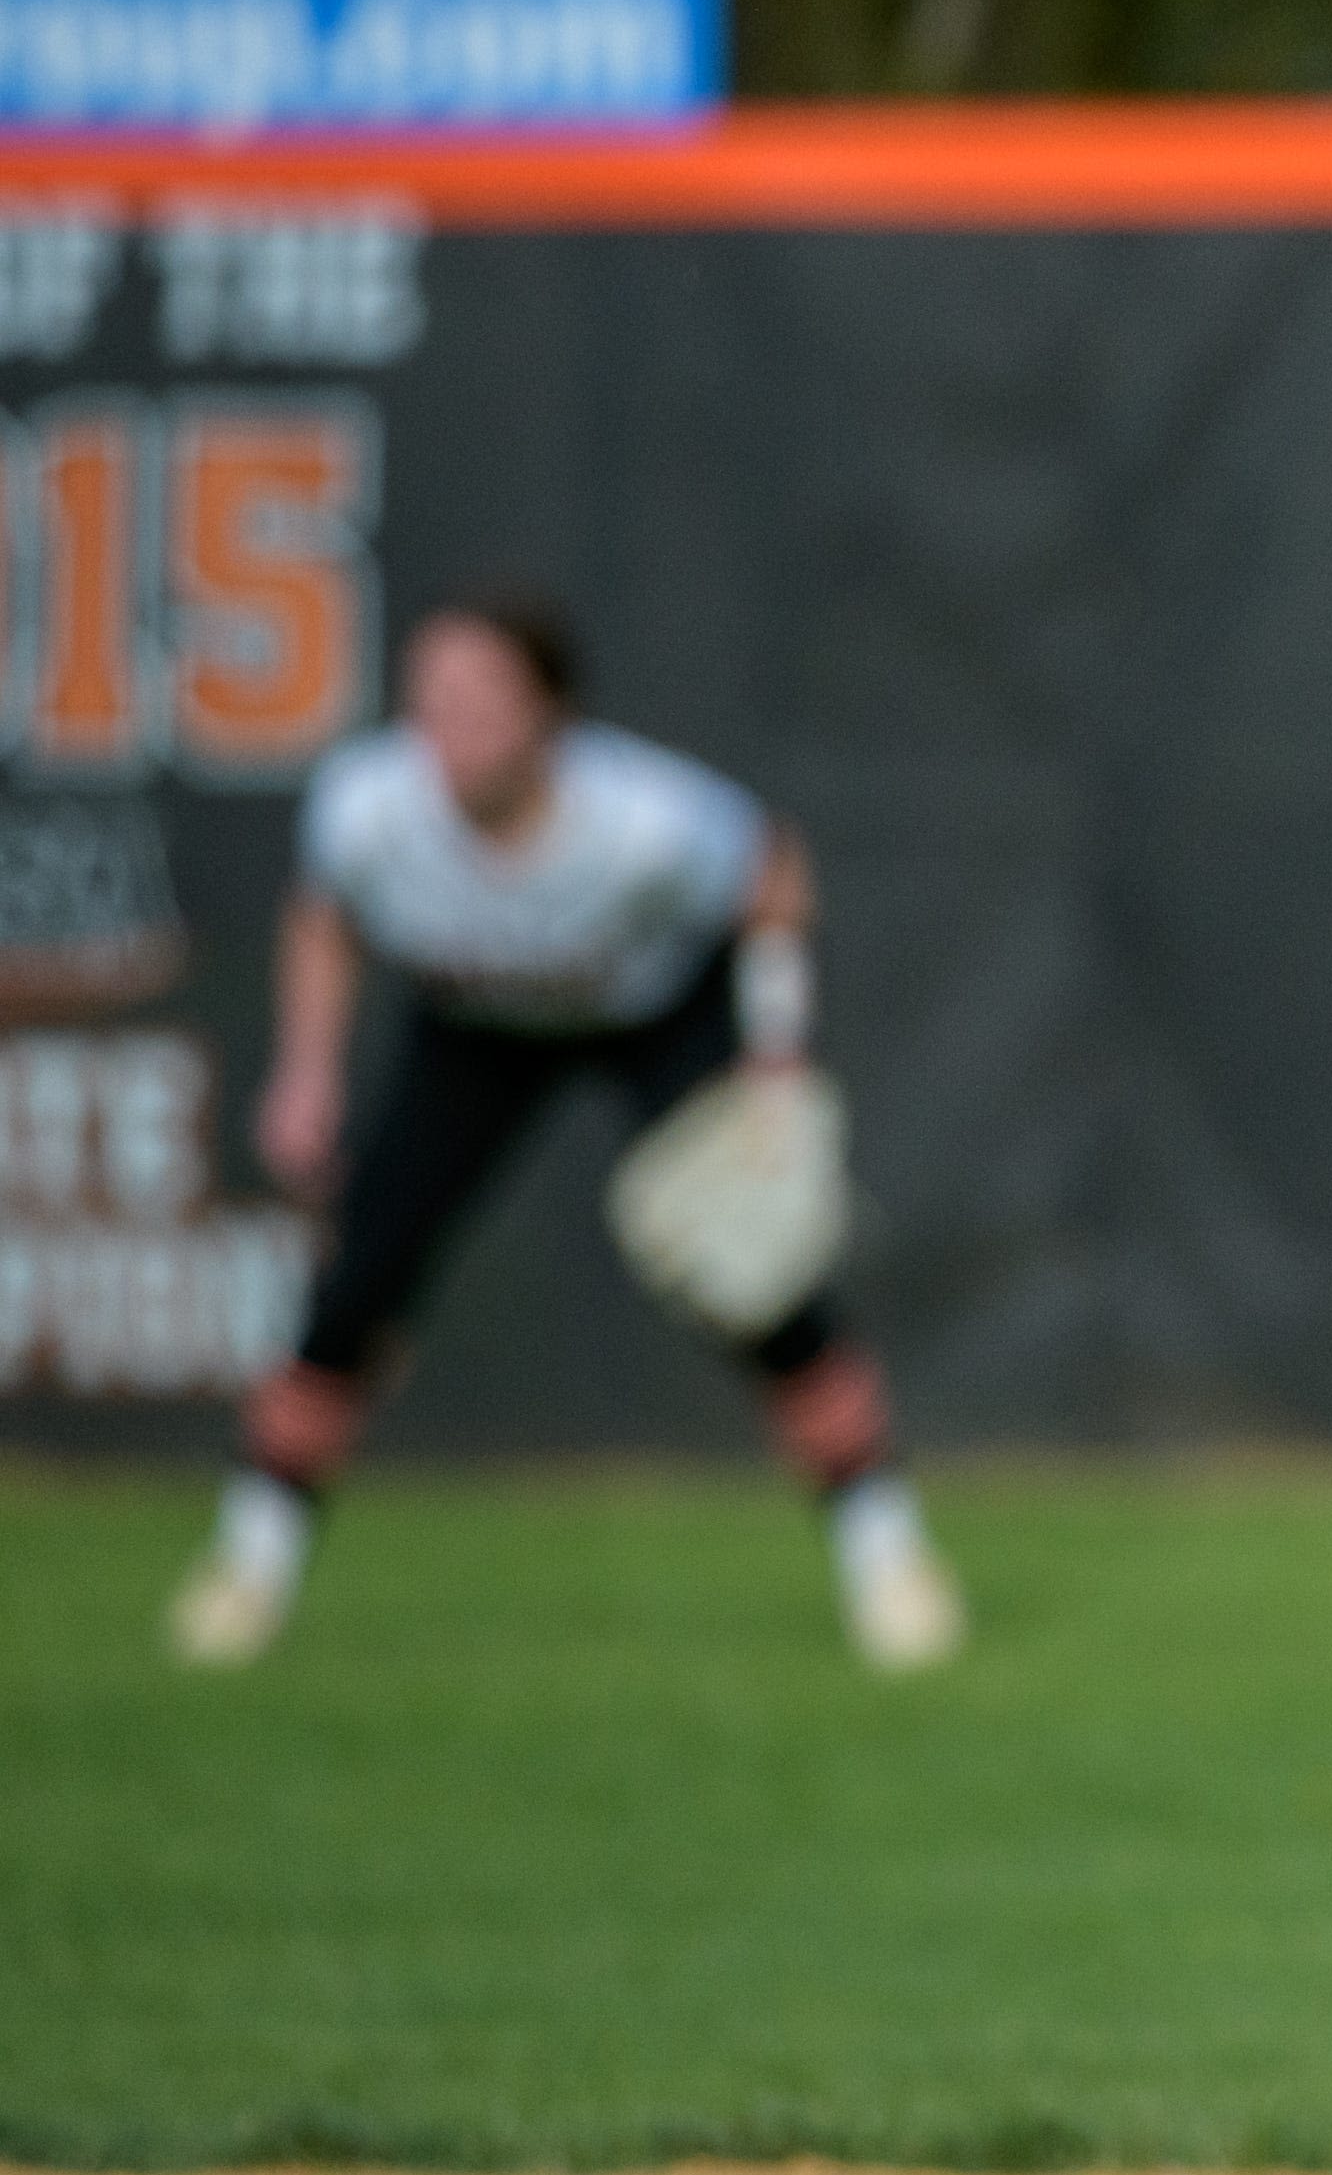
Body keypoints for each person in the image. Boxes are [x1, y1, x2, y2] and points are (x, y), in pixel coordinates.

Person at [166, 593, 962, 1672]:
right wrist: (305, 1074)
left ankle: (888, 1555)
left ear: (550, 715)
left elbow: (772, 873)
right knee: (360, 1279)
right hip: (476, 1027)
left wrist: (775, 1051)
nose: (449, 727)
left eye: (481, 699)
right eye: (429, 699)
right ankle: (249, 1567)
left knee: (764, 1278)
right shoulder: (371, 807)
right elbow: (324, 913)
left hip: (650, 1010)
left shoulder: (641, 822)